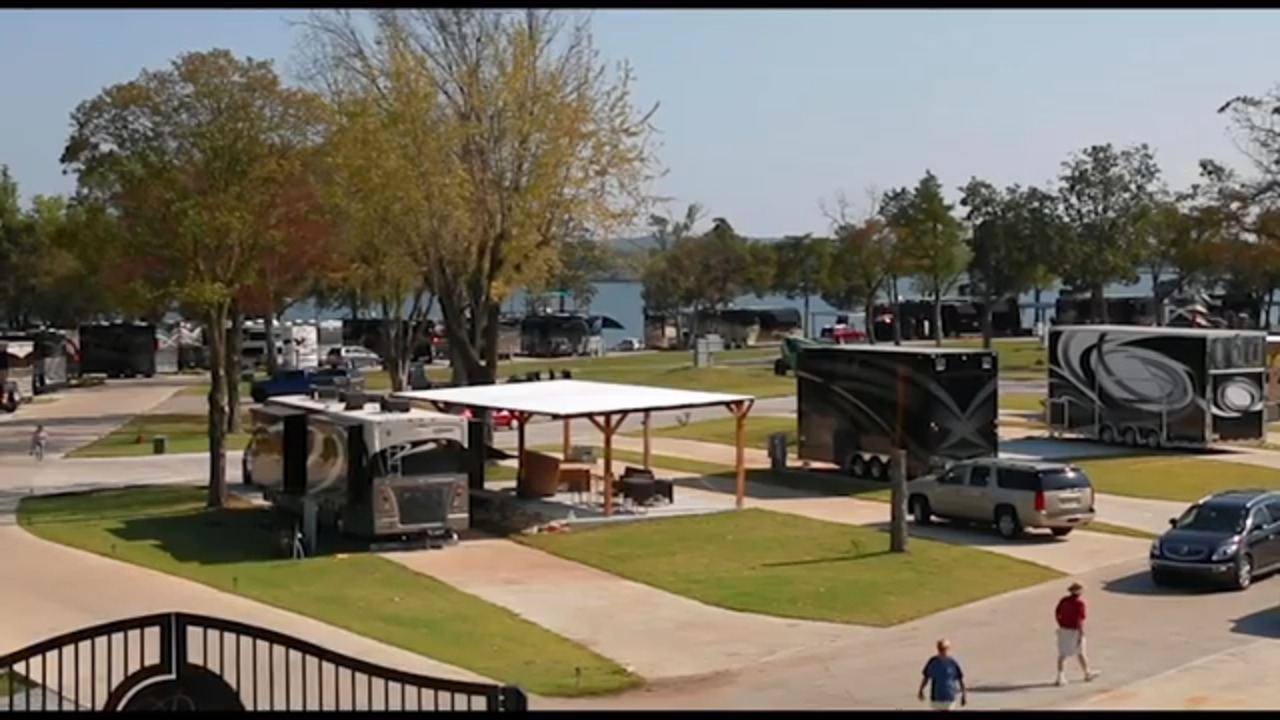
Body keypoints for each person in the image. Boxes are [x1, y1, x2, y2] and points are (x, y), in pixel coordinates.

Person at [1054, 581, 1100, 686]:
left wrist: (1061, 623)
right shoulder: (1080, 604)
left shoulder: (1063, 600)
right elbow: (1079, 620)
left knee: (1063, 654)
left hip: (1063, 629)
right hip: (1074, 630)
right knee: (1081, 652)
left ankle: (1060, 676)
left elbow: (1057, 613)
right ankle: (1087, 673)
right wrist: (1081, 632)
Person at [918, 638, 966, 711]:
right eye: (940, 648)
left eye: (944, 649)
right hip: (936, 698)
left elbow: (960, 679)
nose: (942, 651)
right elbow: (926, 677)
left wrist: (964, 695)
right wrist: (921, 690)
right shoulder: (933, 662)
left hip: (949, 697)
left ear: (948, 649)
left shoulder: (952, 662)